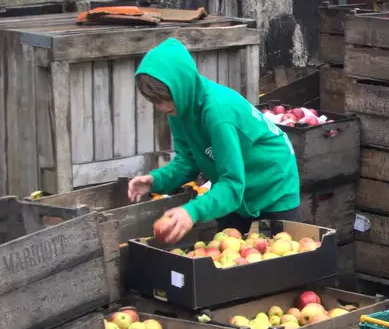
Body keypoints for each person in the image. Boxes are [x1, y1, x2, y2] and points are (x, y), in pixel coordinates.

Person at [126, 38, 300, 245]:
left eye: (165, 98)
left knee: (273, 266)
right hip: (233, 190)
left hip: (271, 185)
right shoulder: (179, 110)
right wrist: (156, 181)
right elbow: (188, 161)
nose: (162, 107)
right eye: (155, 102)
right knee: (230, 258)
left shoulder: (217, 114)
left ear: (183, 85)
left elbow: (233, 184)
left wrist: (192, 212)